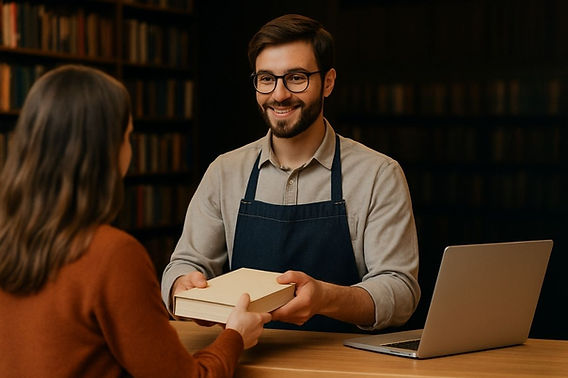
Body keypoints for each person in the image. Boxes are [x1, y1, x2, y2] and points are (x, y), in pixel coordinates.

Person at [0, 65, 271, 377]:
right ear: (104, 152)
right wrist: (235, 336)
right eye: (127, 137)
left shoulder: (9, 238)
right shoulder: (112, 254)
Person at [162, 14, 420, 333]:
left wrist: (325, 298)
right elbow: (184, 265)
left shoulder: (378, 174)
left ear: (328, 82)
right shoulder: (224, 171)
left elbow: (400, 291)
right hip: (244, 356)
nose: (279, 94)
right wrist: (181, 287)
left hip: (345, 362)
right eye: (266, 78)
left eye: (296, 78)